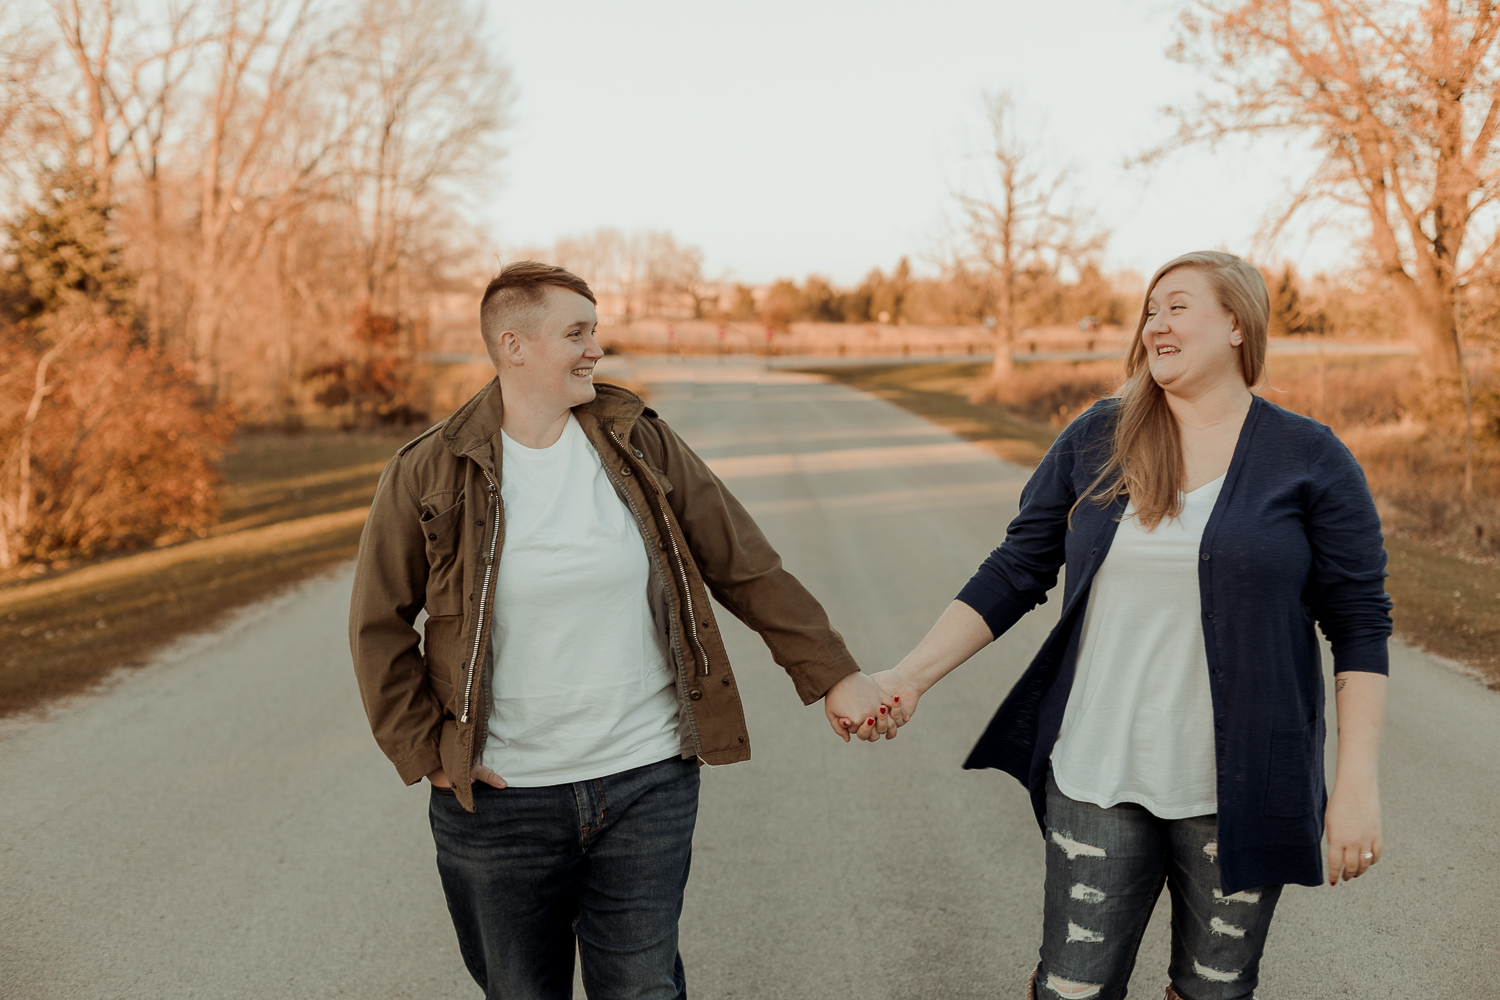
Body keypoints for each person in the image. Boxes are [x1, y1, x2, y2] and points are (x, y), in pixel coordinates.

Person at [348, 261, 894, 1000]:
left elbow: (743, 563)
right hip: (502, 803)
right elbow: (377, 625)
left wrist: (834, 673)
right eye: (577, 333)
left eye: (594, 331)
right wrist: (428, 755)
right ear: (514, 346)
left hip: (646, 777)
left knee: (642, 989)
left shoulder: (638, 442)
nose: (595, 349)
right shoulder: (429, 471)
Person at [871, 252, 1391, 1000]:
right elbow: (1016, 568)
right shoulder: (1099, 437)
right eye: (1150, 310)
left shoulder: (1310, 458)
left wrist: (1356, 785)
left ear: (1237, 324)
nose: (1155, 324)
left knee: (1216, 991)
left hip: (1241, 790)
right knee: (1073, 988)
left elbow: (1361, 624)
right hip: (1098, 774)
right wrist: (907, 677)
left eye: (1176, 306)